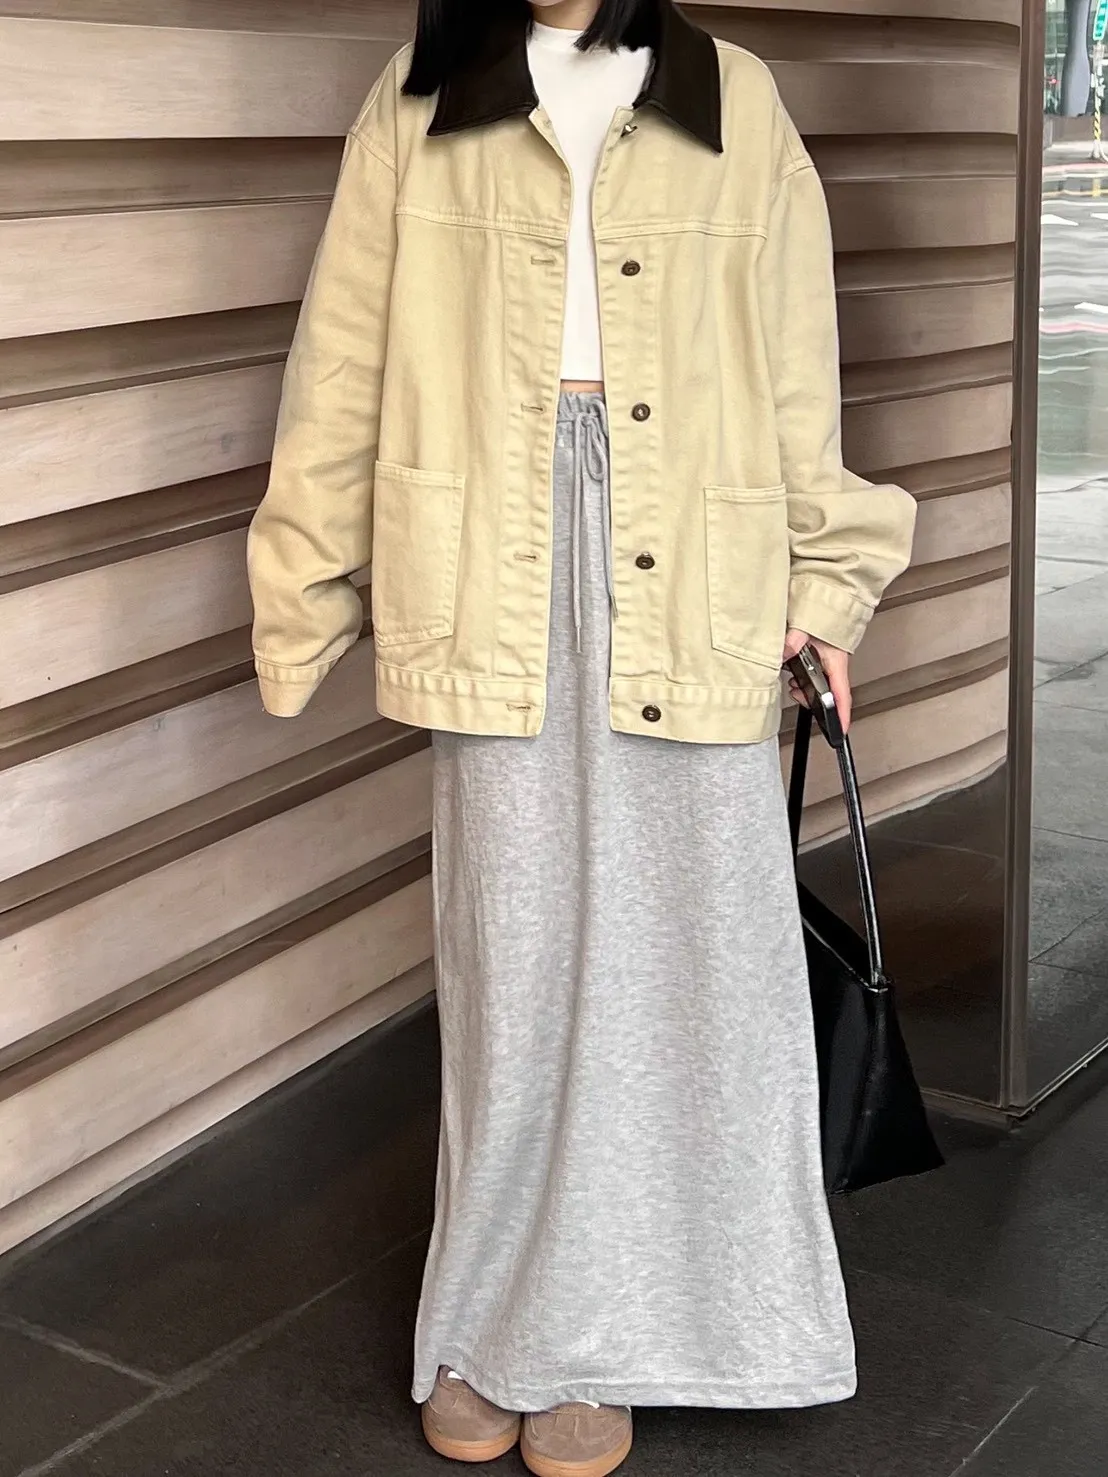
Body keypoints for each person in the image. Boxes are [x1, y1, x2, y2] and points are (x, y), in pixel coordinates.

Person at [246, 1, 917, 1473]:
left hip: (702, 557)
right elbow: (340, 361)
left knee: (701, 969)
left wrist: (829, 589)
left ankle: (613, 1336)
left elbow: (799, 368)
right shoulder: (422, 100)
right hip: (493, 557)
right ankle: (497, 1328)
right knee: (516, 965)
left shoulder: (733, 95)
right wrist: (302, 589)